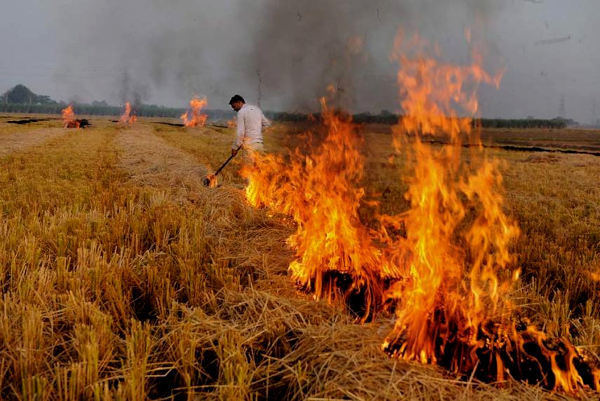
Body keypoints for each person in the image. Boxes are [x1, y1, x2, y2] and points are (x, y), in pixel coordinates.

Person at [229, 94, 271, 164]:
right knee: (259, 171)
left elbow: (240, 132)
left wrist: (235, 147)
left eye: (234, 106)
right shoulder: (257, 109)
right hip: (259, 145)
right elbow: (267, 124)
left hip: (249, 146)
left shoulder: (241, 112)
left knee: (248, 171)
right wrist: (256, 132)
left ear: (239, 102)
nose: (234, 109)